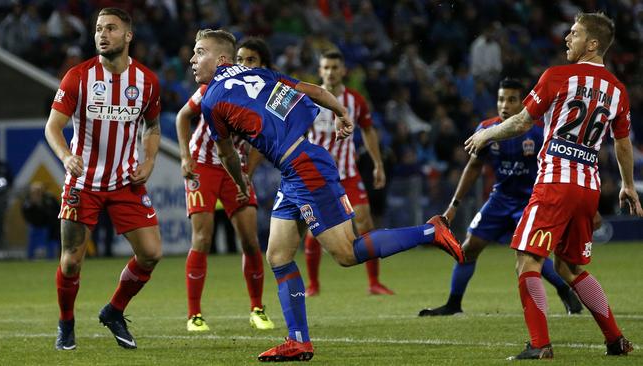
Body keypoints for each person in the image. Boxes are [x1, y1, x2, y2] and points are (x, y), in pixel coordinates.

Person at [190, 29, 464, 362]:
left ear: (221, 60)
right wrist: (341, 113)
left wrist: (240, 182)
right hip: (295, 170)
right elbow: (316, 90)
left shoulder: (211, 99)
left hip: (305, 169)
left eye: (199, 52)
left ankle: (430, 231)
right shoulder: (258, 73)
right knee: (277, 254)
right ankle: (298, 341)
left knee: (348, 253)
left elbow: (228, 155)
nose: (192, 59)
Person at [465, 12, 642, 360]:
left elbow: (519, 122)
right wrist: (627, 186)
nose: (566, 38)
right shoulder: (618, 91)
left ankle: (540, 344)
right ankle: (616, 340)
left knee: (528, 260)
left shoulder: (558, 77)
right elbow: (622, 144)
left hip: (555, 183)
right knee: (570, 267)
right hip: (588, 187)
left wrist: (485, 133)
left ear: (592, 44)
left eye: (574, 34)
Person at [45, 8, 162, 351]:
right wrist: (67, 156)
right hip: (84, 184)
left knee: (152, 254)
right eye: (98, 28)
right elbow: (52, 127)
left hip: (126, 181)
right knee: (71, 261)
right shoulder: (78, 77)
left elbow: (152, 126)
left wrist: (150, 158)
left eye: (111, 28)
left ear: (128, 36)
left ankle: (114, 310)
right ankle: (66, 323)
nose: (102, 34)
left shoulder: (147, 82)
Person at [419, 78, 583, 317]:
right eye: (501, 99)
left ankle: (564, 290)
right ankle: (454, 304)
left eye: (511, 99)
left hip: (531, 201)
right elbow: (474, 167)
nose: (504, 104)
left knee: (532, 254)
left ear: (523, 102)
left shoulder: (538, 132)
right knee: (469, 247)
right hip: (500, 200)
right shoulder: (487, 130)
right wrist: (454, 205)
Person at [175, 37, 273, 332]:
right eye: (240, 59)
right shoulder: (212, 85)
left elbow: (261, 142)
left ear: (263, 66)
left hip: (236, 169)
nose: (244, 65)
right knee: (202, 239)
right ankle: (194, 314)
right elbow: (183, 116)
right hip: (203, 166)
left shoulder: (263, 97)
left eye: (251, 60)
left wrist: (248, 173)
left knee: (250, 240)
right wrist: (184, 157)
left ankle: (257, 308)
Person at [304, 50, 393, 296]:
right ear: (320, 71)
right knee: (315, 231)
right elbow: (299, 134)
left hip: (348, 175)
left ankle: (374, 282)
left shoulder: (355, 100)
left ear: (343, 71)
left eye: (335, 67)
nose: (331, 72)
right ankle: (313, 285)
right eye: (326, 67)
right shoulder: (308, 100)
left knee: (365, 223)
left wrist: (378, 163)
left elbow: (368, 131)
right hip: (318, 177)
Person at [22, 181, 61, 259]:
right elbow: (26, 213)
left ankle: (51, 258)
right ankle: (30, 258)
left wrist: (41, 205)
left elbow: (56, 210)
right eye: (35, 191)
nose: (37, 193)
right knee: (33, 242)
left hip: (49, 225)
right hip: (35, 225)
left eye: (39, 190)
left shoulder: (49, 198)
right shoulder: (28, 201)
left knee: (52, 242)